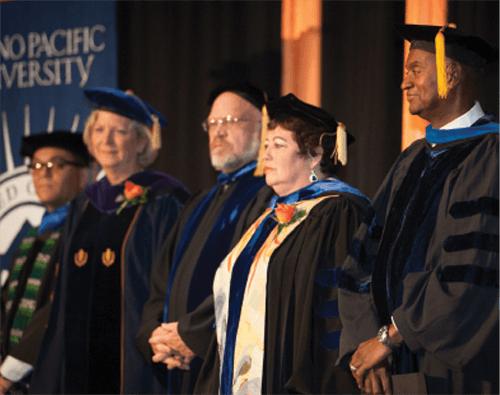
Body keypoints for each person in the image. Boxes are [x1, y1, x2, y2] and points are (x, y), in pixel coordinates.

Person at [338, 24, 499, 394]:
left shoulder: (490, 155)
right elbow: (360, 261)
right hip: (388, 369)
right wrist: (365, 343)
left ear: (451, 74)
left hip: (452, 369)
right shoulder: (411, 159)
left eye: (414, 69)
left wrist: (391, 337)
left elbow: (472, 275)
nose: (403, 83)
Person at [195, 93, 370, 394]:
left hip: (296, 379)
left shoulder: (336, 212)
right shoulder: (269, 217)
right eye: (266, 146)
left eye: (279, 145)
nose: (267, 155)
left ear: (315, 154)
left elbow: (334, 309)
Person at [29, 87, 190, 394]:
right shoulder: (83, 205)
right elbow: (62, 297)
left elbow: (171, 286)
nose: (107, 140)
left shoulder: (163, 201)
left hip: (135, 364)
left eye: (120, 131)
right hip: (77, 365)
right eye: (100, 129)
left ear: (142, 140)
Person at [136, 83, 271, 394]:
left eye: (231, 121)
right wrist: (154, 336)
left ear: (263, 129)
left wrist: (190, 335)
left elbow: (247, 282)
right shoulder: (199, 203)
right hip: (175, 363)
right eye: (213, 123)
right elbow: (160, 282)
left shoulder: (267, 197)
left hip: (222, 363)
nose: (219, 132)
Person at [0, 132, 91, 395]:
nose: (43, 174)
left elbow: (62, 305)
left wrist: (9, 372)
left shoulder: (87, 230)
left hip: (57, 377)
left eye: (56, 165)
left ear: (83, 174)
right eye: (37, 166)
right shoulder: (34, 234)